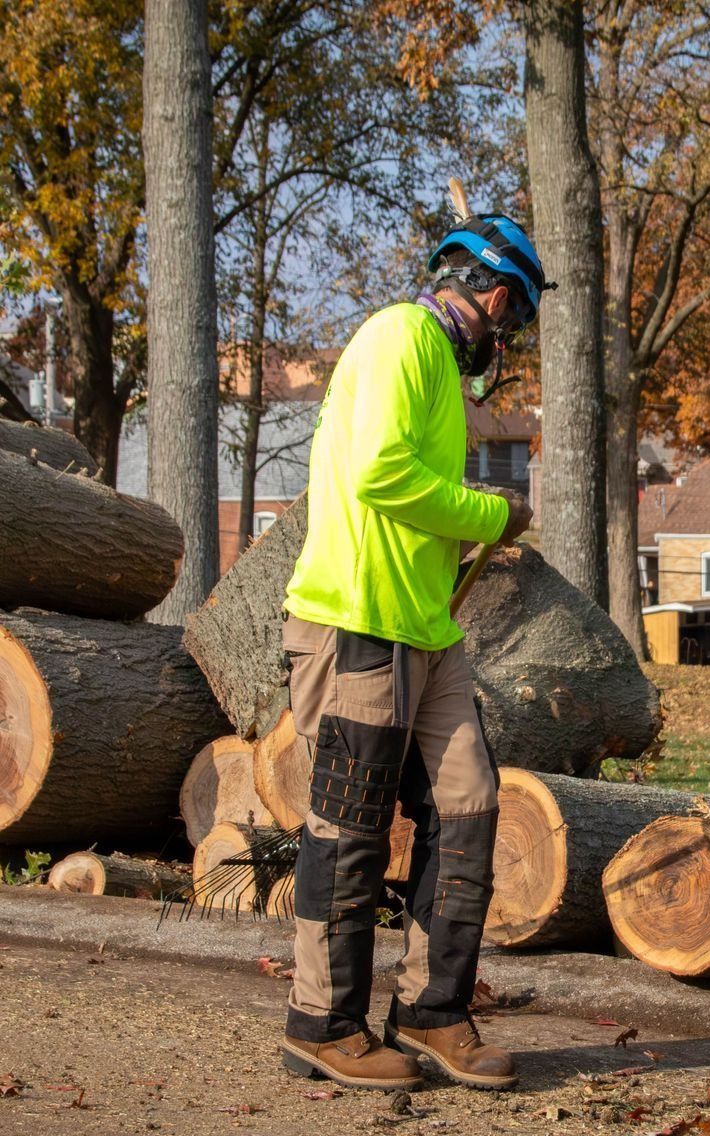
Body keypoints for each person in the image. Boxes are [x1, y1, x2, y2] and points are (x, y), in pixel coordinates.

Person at [276, 211, 547, 1091]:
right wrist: (490, 513)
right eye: (515, 322)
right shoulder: (400, 336)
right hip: (357, 624)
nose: (506, 341)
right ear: (499, 298)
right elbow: (380, 474)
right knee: (350, 825)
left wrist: (470, 517)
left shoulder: (436, 364)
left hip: (429, 632)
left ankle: (432, 1011)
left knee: (469, 803)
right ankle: (323, 1023)